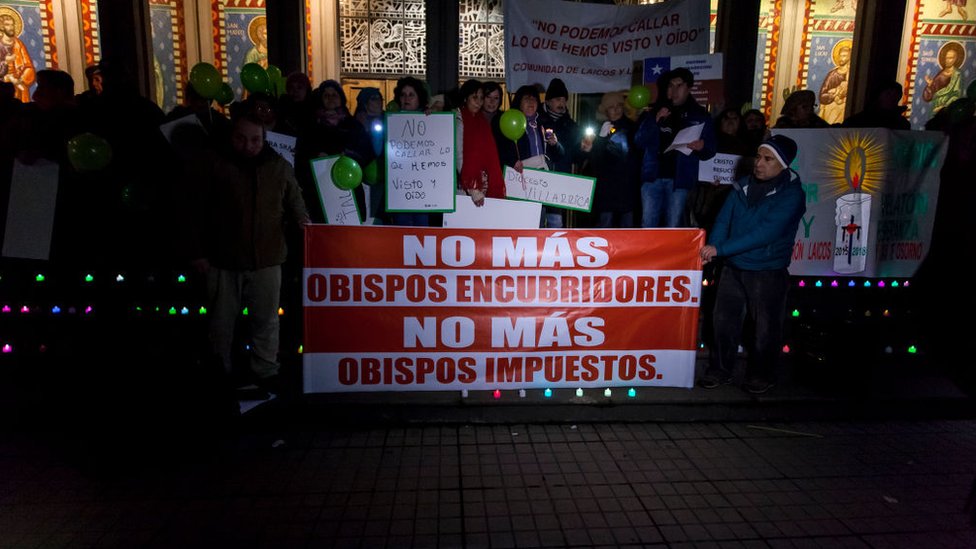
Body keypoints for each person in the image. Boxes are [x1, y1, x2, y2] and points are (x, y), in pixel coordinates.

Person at [189, 112, 308, 394]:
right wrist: (197, 252)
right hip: (223, 258)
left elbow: (296, 203)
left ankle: (265, 370)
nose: (248, 146)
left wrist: (306, 226)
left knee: (266, 321)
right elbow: (193, 210)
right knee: (221, 322)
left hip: (267, 257)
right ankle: (220, 370)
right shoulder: (214, 164)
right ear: (232, 137)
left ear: (264, 139)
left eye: (255, 140)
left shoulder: (278, 166)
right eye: (241, 139)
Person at [698, 134, 806, 394]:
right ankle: (720, 370)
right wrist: (713, 247)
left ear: (783, 164)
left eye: (768, 159)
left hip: (767, 270)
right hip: (733, 267)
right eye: (758, 156)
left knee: (765, 328)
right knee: (723, 323)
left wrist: (720, 249)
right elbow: (723, 220)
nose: (759, 163)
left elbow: (765, 233)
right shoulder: (742, 186)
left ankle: (762, 375)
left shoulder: (791, 195)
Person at [639, 67, 716, 228]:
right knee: (648, 226)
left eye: (679, 85)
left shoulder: (700, 115)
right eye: (670, 85)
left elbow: (710, 150)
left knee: (674, 226)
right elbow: (639, 141)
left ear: (689, 88)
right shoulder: (655, 112)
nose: (674, 90)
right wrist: (655, 121)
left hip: (679, 180)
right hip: (652, 177)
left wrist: (702, 146)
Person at [497, 85, 565, 199]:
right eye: (527, 98)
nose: (531, 102)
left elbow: (559, 155)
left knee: (540, 210)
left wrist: (555, 144)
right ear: (519, 102)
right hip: (519, 179)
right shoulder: (510, 122)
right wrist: (512, 161)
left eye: (534, 99)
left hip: (542, 181)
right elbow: (501, 150)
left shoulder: (545, 123)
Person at [581, 90, 636, 228]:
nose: (616, 110)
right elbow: (595, 161)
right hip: (606, 189)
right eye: (611, 107)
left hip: (627, 186)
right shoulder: (599, 130)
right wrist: (600, 140)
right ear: (605, 110)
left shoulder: (632, 128)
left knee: (627, 229)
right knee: (605, 226)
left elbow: (636, 156)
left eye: (619, 105)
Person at [537, 77, 580, 228]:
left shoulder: (571, 126)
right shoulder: (537, 121)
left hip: (559, 182)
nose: (561, 103)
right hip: (538, 181)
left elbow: (576, 157)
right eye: (557, 99)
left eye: (563, 99)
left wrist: (585, 149)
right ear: (548, 101)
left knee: (556, 223)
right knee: (537, 223)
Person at [455, 79, 505, 206]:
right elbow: (459, 156)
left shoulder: (480, 120)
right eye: (474, 97)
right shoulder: (458, 119)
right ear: (465, 98)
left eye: (481, 98)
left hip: (482, 184)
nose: (479, 102)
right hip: (466, 188)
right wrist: (473, 189)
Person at [843, 80, 911, 130]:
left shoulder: (902, 124)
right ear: (878, 96)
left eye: (896, 95)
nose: (892, 98)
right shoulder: (857, 121)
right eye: (888, 94)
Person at [1, 10, 35, 103]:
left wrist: (21, 79)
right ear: (2, 27)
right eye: (7, 25)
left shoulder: (18, 44)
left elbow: (28, 66)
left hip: (18, 83)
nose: (11, 27)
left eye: (12, 25)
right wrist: (5, 63)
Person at [922, 41, 964, 113]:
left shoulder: (957, 74)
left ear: (956, 59)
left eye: (950, 58)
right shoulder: (940, 73)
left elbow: (957, 95)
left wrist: (944, 107)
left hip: (947, 109)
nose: (947, 60)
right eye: (946, 58)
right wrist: (930, 85)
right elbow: (928, 97)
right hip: (935, 107)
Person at [818, 39, 852, 125]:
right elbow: (822, 95)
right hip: (833, 108)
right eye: (840, 55)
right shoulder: (832, 74)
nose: (841, 58)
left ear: (850, 57)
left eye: (844, 56)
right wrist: (834, 95)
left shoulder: (853, 74)